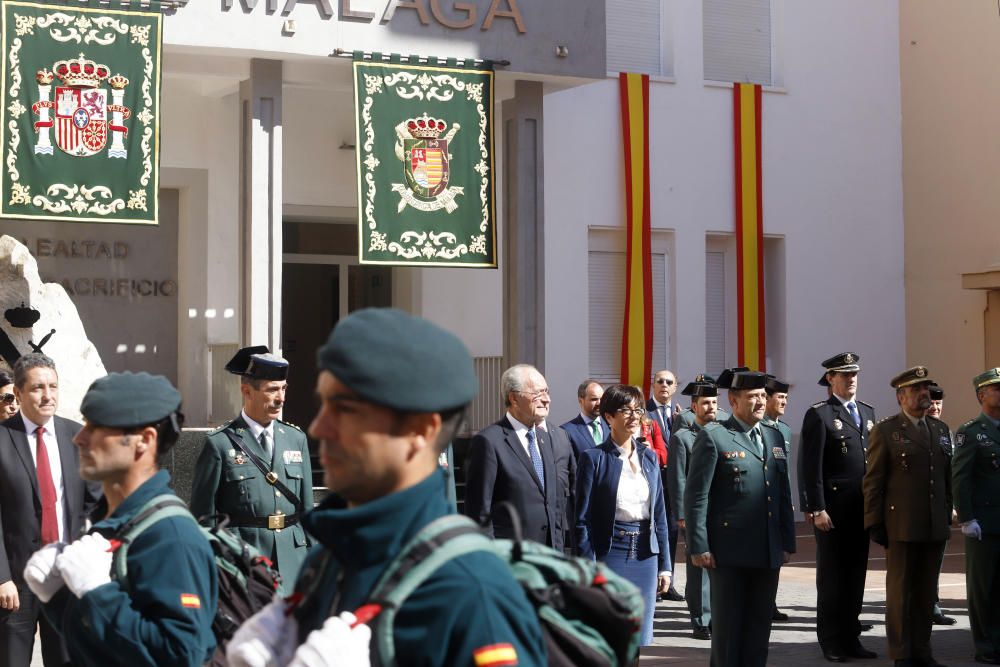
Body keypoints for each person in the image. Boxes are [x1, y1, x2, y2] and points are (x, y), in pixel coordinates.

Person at [225, 308, 547, 667]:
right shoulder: (328, 560)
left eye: (344, 409)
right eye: (323, 404)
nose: (320, 428)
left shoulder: (472, 588)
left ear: (420, 431)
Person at [26, 371, 218, 665]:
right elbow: (105, 647)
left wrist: (98, 593)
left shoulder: (171, 536)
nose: (79, 438)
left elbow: (182, 655)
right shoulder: (116, 524)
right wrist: (59, 597)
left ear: (143, 440)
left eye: (97, 426)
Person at [684, 371, 795, 667]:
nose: (760, 402)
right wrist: (699, 546)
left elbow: (782, 493)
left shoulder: (773, 435)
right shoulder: (714, 436)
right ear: (733, 400)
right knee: (729, 631)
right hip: (729, 552)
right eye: (752, 397)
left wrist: (786, 541)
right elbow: (697, 496)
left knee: (759, 628)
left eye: (763, 395)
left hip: (767, 549)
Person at [0, 353, 101, 667]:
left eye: (53, 387)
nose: (48, 396)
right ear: (18, 393)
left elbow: (96, 505)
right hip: (15, 584)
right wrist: (1, 577)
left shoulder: (78, 437)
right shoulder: (3, 439)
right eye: (38, 388)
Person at [190, 346, 313, 593]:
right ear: (247, 391)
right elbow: (204, 519)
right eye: (272, 390)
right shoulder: (221, 443)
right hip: (245, 562)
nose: (281, 398)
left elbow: (307, 511)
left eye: (283, 388)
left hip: (293, 560)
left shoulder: (295, 438)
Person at [863, 366, 952, 667]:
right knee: (901, 593)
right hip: (901, 523)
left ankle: (922, 649)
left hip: (933, 523)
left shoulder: (940, 430)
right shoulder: (886, 431)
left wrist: (947, 512)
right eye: (916, 390)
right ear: (901, 396)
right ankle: (902, 652)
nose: (923, 394)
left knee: (927, 591)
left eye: (925, 388)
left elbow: (946, 478)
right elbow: (873, 480)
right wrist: (874, 521)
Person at [575, 383, 671, 645]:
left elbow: (659, 515)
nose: (633, 416)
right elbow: (582, 520)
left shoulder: (649, 458)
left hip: (645, 555)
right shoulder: (593, 458)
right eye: (625, 410)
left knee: (637, 637)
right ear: (608, 417)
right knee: (609, 635)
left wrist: (665, 566)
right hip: (610, 553)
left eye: (637, 410)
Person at [799, 352, 878, 662]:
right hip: (832, 511)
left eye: (854, 373)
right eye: (844, 374)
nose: (851, 378)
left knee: (855, 577)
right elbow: (811, 466)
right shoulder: (819, 415)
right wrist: (816, 507)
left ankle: (851, 638)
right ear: (830, 379)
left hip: (862, 509)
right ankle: (831, 640)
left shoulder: (868, 412)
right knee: (832, 579)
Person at [464, 364, 574, 551]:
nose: (546, 400)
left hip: (550, 556)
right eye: (537, 394)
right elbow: (479, 512)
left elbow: (553, 503)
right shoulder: (489, 441)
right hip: (512, 559)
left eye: (546, 392)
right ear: (514, 398)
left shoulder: (546, 438)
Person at [952, 369, 1000, 664]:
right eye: (996, 389)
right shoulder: (970, 432)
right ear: (982, 395)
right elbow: (961, 479)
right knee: (983, 588)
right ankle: (985, 646)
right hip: (984, 524)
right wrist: (967, 518)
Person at [666, 377, 718, 640]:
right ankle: (700, 619)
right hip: (696, 513)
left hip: (721, 512)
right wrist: (683, 515)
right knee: (698, 568)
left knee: (718, 565)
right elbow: (678, 478)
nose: (711, 407)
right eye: (705, 403)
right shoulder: (683, 438)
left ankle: (716, 615)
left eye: (714, 403)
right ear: (694, 407)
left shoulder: (723, 434)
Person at [646, 369, 684, 602]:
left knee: (671, 531)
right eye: (659, 381)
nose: (664, 385)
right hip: (653, 480)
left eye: (669, 382)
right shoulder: (643, 412)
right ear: (652, 385)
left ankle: (668, 583)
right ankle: (653, 584)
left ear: (675, 387)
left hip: (675, 483)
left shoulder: (680, 414)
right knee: (653, 531)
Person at [762, 375, 793, 622]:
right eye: (779, 397)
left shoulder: (783, 430)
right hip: (760, 503)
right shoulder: (760, 426)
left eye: (785, 397)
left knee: (777, 557)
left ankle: (769, 602)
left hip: (779, 501)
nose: (783, 402)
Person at [926, 383, 957, 627]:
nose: (935, 407)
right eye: (931, 402)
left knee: (936, 560)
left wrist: (952, 505)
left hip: (940, 509)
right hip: (914, 510)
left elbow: (950, 473)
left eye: (939, 403)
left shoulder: (945, 430)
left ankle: (932, 604)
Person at [561, 379, 606, 457]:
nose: (599, 403)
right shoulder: (566, 431)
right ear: (581, 401)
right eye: (594, 399)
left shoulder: (612, 426)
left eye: (602, 399)